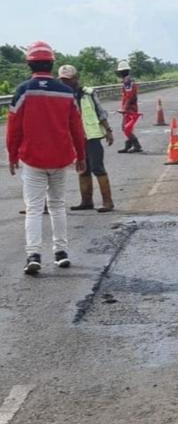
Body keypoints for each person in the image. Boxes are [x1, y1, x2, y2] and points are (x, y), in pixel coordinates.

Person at [6, 41, 86, 274]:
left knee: (33, 208)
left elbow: (14, 128)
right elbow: (76, 128)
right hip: (61, 158)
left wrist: (12, 155)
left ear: (29, 64)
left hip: (32, 160)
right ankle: (61, 253)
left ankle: (34, 255)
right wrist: (80, 155)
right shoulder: (66, 92)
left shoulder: (23, 90)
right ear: (52, 64)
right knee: (58, 206)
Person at [58, 65, 116, 212]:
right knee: (82, 169)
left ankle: (108, 202)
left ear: (76, 79)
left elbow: (100, 112)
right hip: (76, 138)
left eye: (68, 80)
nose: (65, 83)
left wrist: (108, 130)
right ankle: (86, 201)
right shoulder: (62, 96)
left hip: (92, 136)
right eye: (63, 80)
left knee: (97, 167)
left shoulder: (88, 93)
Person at [116, 59, 142, 153]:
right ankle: (129, 145)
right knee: (127, 128)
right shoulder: (129, 80)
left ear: (121, 71)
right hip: (130, 108)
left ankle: (136, 145)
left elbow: (129, 96)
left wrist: (124, 109)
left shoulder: (127, 81)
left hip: (130, 109)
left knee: (125, 127)